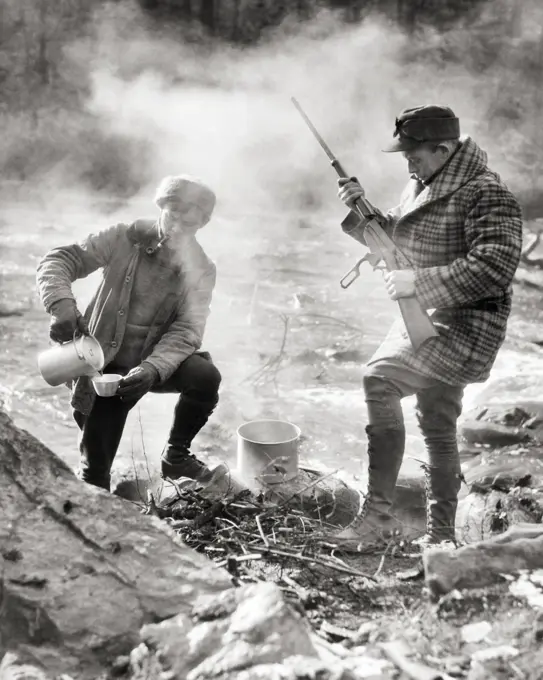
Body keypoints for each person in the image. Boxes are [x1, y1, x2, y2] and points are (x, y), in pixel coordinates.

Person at [334, 105, 523, 549]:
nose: (407, 162)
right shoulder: (425, 182)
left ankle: (377, 516)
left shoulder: (488, 193)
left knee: (378, 380)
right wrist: (361, 210)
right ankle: (441, 538)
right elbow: (396, 239)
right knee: (438, 420)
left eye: (413, 153)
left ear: (444, 149)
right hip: (425, 315)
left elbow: (494, 268)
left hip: (468, 323)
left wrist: (417, 281)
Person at [36, 175, 221, 491]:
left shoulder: (201, 268)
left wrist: (152, 369)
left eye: (189, 222)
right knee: (95, 474)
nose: (178, 226)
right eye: (173, 214)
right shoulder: (124, 237)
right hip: (104, 367)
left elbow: (187, 329)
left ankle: (176, 456)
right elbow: (60, 260)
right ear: (161, 207)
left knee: (205, 377)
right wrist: (61, 304)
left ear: (202, 223)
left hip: (153, 362)